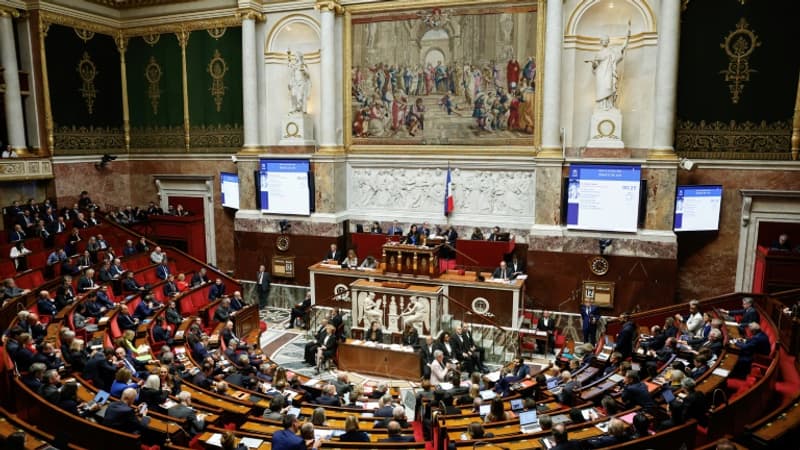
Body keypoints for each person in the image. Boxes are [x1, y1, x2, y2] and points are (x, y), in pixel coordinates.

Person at [586, 25, 630, 111]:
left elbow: (622, 48)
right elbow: (595, 67)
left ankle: (609, 106)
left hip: (609, 73)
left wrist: (627, 38)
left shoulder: (612, 51)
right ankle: (602, 106)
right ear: (601, 42)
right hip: (601, 74)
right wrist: (593, 64)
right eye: (603, 40)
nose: (605, 42)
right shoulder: (598, 54)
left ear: (608, 41)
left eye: (606, 40)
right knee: (602, 89)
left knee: (609, 87)